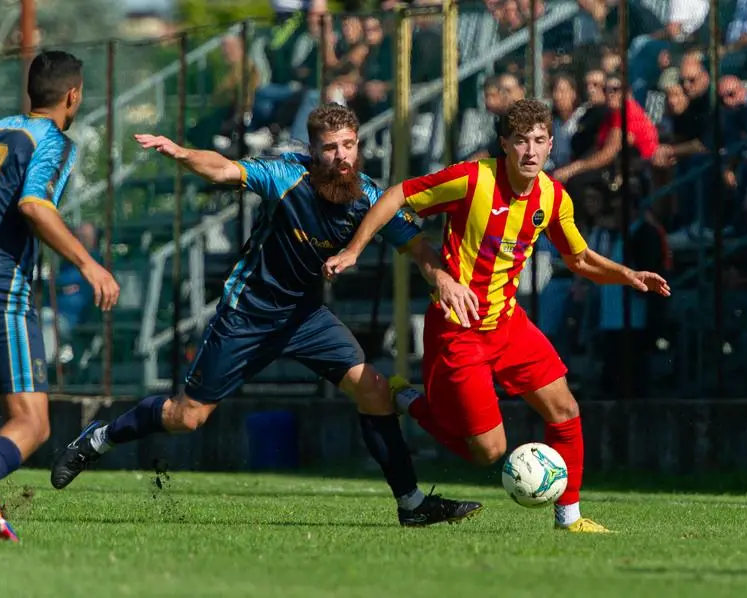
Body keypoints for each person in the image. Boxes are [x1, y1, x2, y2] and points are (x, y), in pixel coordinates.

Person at [50, 103, 482, 527]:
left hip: (306, 318)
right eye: (331, 148)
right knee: (187, 417)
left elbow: (418, 246)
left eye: (349, 145)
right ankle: (99, 439)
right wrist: (183, 154)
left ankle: (411, 504)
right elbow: (224, 169)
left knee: (372, 389)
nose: (342, 156)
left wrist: (441, 278)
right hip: (249, 313)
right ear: (313, 152)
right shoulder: (286, 176)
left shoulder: (368, 195)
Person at [324, 99, 671, 532]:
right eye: (521, 141)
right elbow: (396, 194)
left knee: (564, 408)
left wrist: (627, 274)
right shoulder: (472, 180)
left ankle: (570, 517)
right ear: (504, 144)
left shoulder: (552, 196)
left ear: (550, 146)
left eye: (540, 141)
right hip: (458, 331)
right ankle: (406, 399)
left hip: (508, 325)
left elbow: (579, 259)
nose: (530, 151)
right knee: (486, 452)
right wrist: (354, 250)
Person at [0, 51, 121, 542]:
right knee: (33, 423)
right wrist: (89, 263)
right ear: (74, 95)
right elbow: (33, 206)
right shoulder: (53, 140)